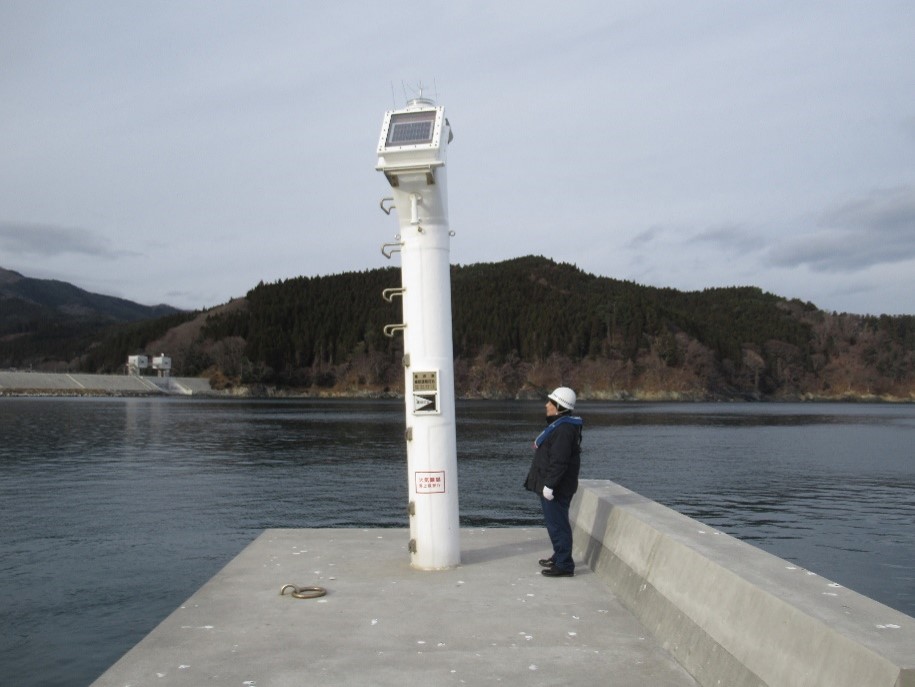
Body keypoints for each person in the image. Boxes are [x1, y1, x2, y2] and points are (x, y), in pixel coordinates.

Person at [524, 386, 583, 577]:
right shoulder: (560, 426)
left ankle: (564, 564)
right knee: (555, 523)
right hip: (554, 485)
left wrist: (550, 485)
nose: (546, 405)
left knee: (558, 525)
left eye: (550, 402)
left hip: (557, 487)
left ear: (559, 407)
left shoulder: (564, 430)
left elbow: (559, 461)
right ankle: (559, 557)